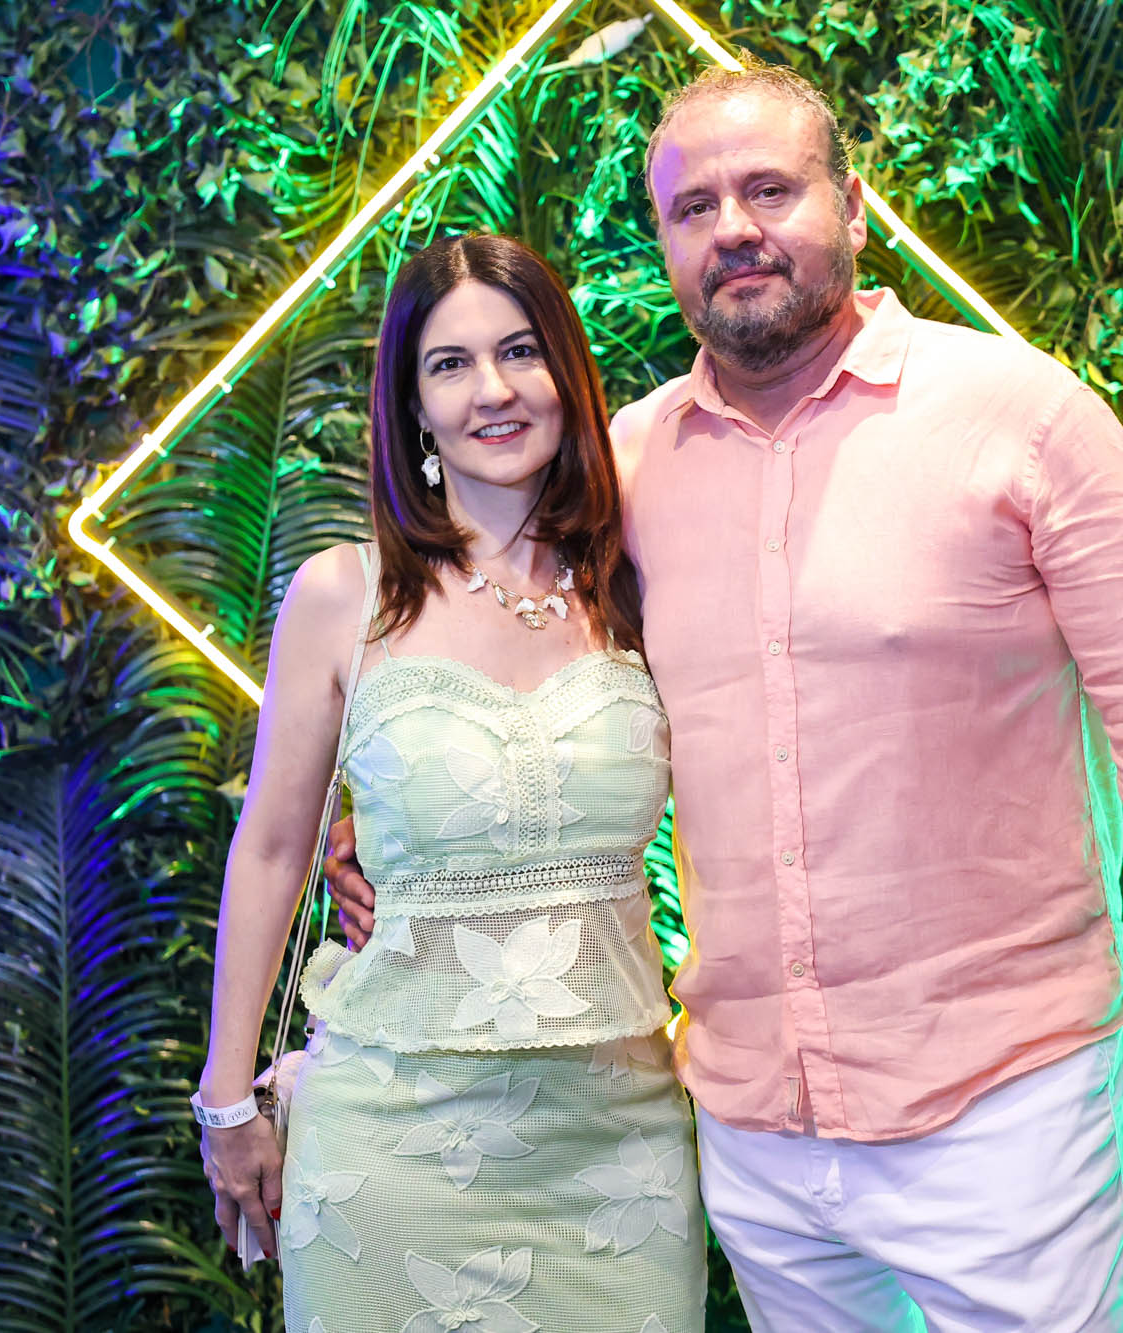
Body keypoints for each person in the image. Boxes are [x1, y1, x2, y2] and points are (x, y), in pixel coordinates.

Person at [329, 58, 1123, 1333]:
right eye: (692, 207)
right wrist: (401, 820)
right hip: (755, 1124)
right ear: (664, 243)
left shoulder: (1017, 413)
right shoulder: (628, 467)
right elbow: (508, 644)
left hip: (1004, 1102)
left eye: (769, 189)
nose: (733, 229)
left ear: (854, 207)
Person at [196, 233, 706, 1333]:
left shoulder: (641, 582)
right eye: (450, 364)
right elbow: (274, 848)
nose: (493, 390)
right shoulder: (344, 595)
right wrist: (226, 1098)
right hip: (393, 1137)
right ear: (413, 407)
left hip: (620, 1147)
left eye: (520, 351)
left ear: (566, 372)